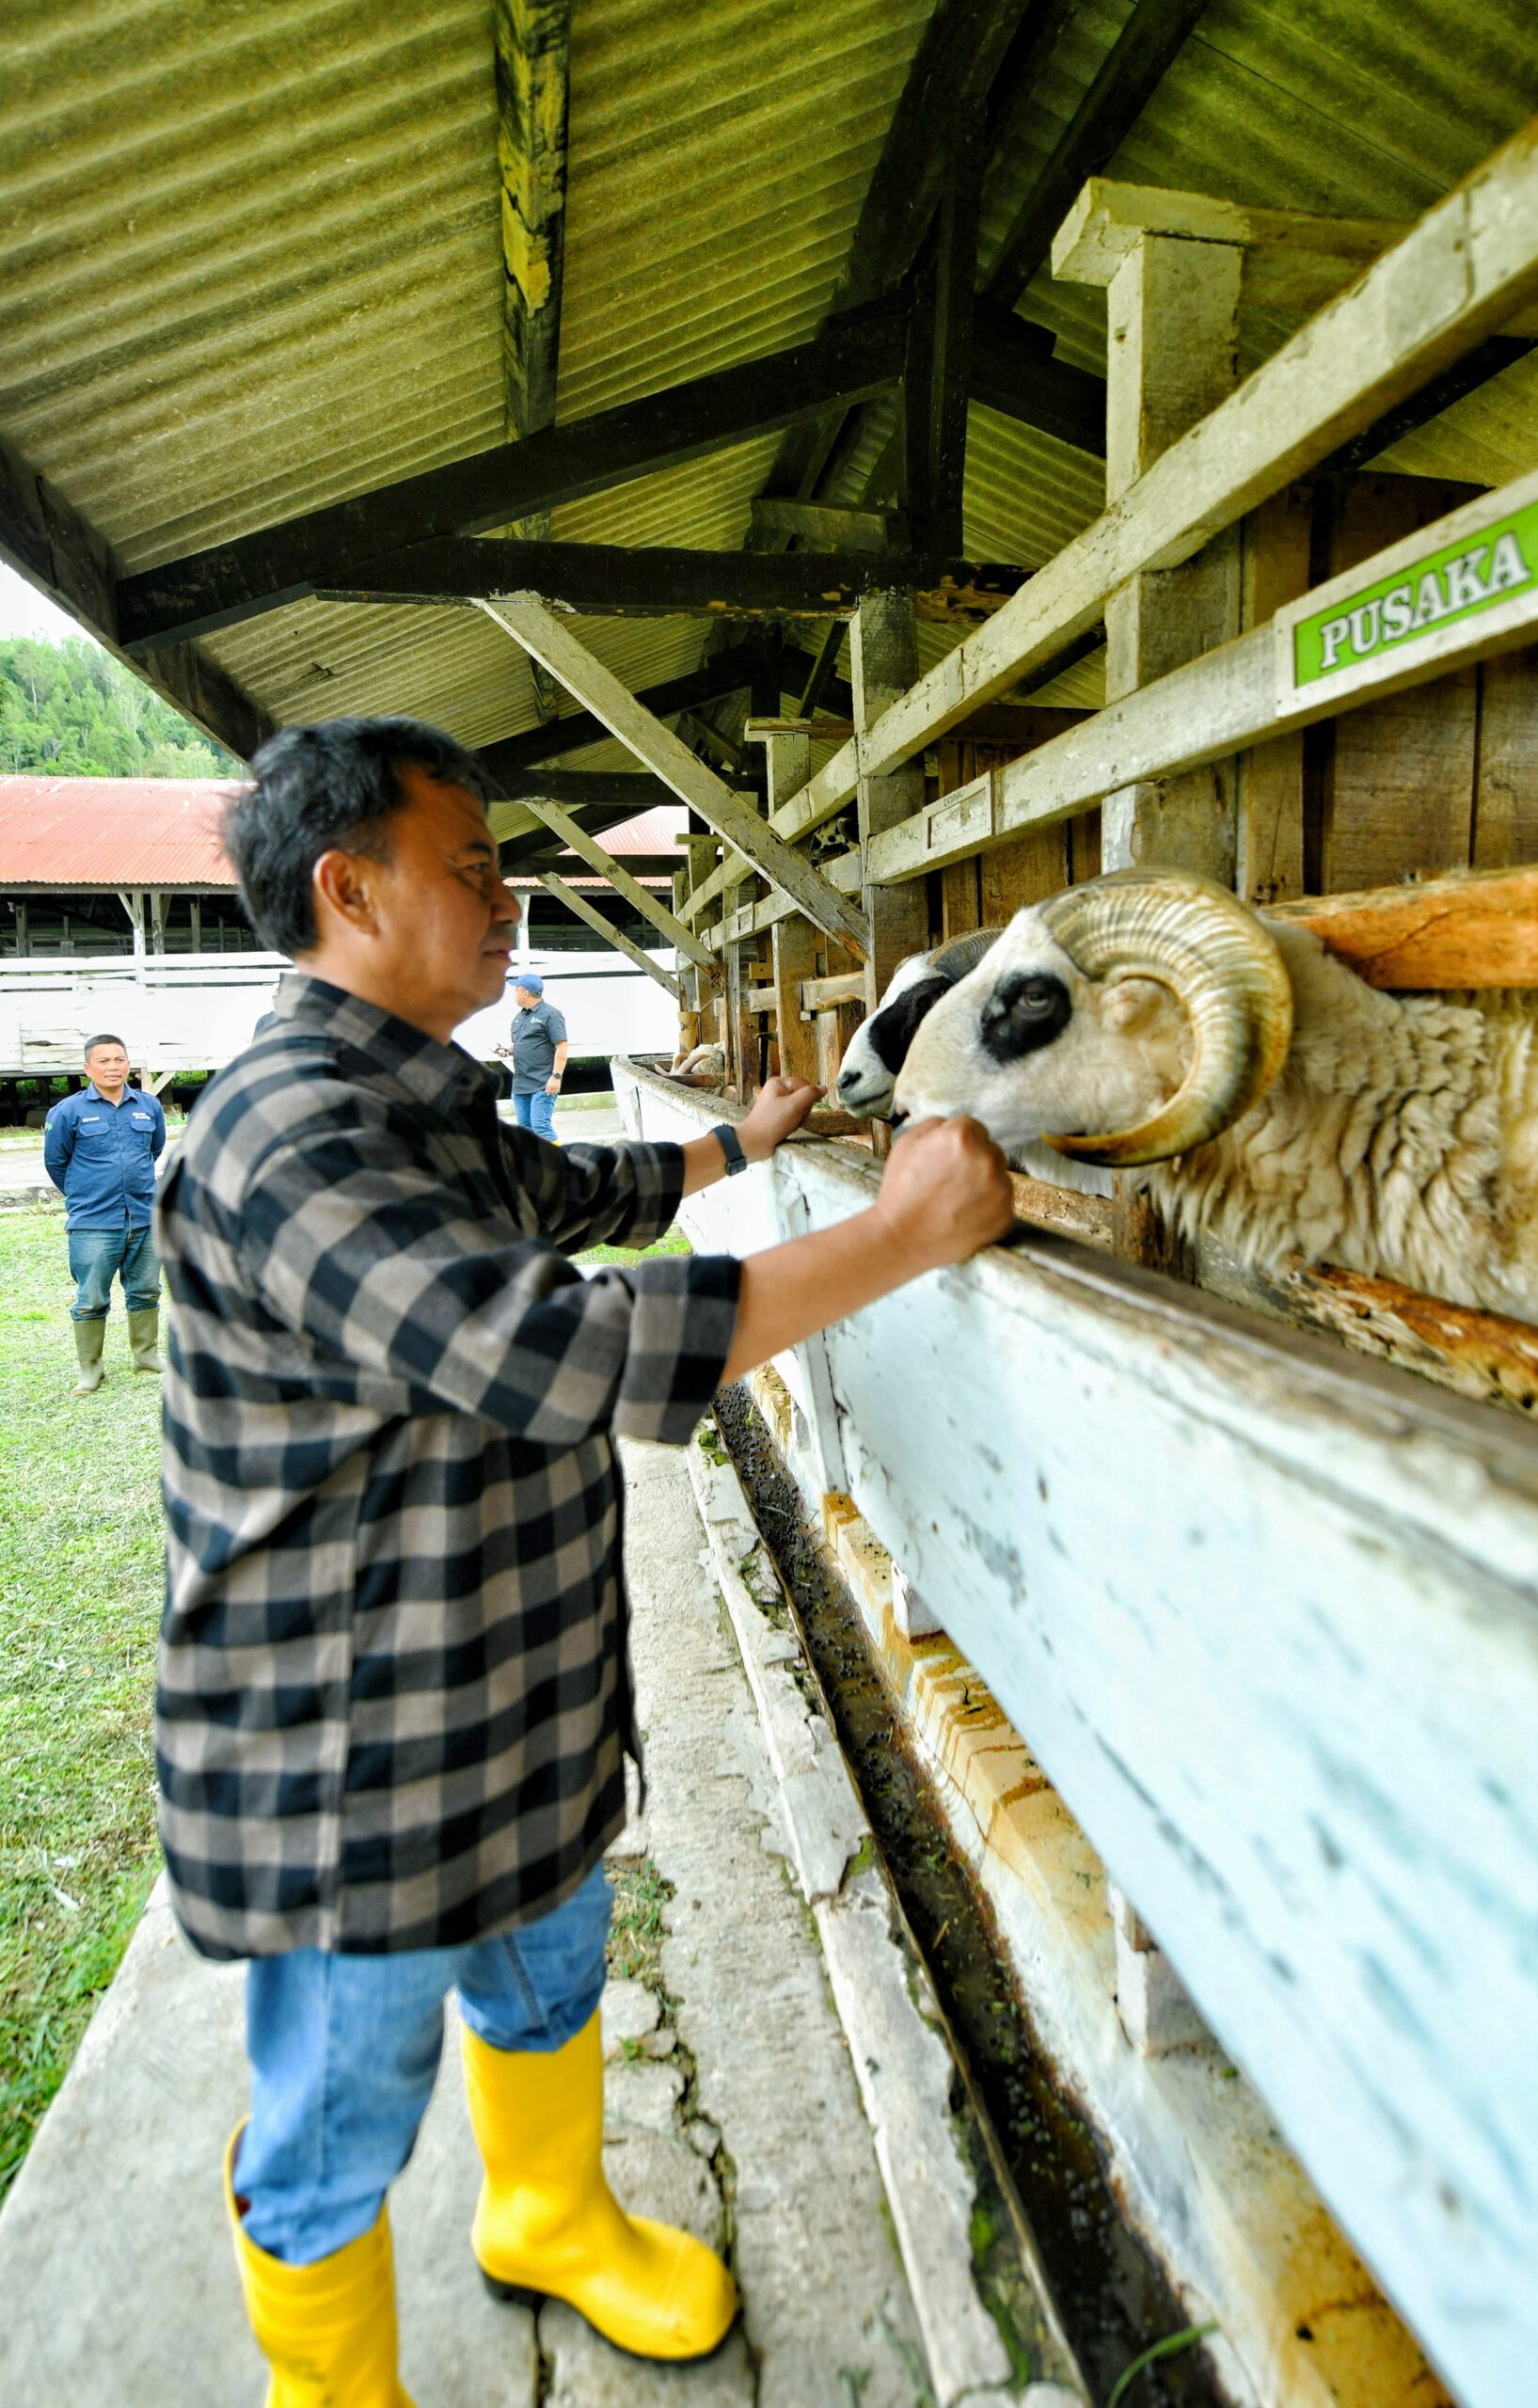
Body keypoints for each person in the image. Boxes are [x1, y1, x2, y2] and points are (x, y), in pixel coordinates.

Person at [154, 716, 1012, 2401]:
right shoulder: (285, 1134)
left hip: (516, 1701)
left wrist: (747, 1145)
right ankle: (333, 2386)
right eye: (470, 870)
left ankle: (545, 2208)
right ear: (348, 886)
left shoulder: (423, 1102)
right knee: (338, 2117)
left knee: (550, 1982)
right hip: (356, 1763)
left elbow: (581, 1188)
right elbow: (552, 1348)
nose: (507, 904)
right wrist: (902, 1233)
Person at [43, 1033, 166, 1395]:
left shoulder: (148, 1106)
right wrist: (88, 1193)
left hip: (144, 1216)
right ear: (87, 1068)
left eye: (119, 1059)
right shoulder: (67, 1112)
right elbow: (56, 1162)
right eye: (104, 1061)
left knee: (146, 1290)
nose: (113, 1067)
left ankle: (146, 1355)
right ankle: (91, 1370)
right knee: (91, 1298)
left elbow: (153, 1150)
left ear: (128, 1064)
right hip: (94, 1222)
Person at [502, 973, 567, 1138]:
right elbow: (521, 1041)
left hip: (542, 1083)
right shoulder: (520, 1016)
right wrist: (508, 1050)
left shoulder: (551, 1014)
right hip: (521, 1083)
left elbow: (562, 1047)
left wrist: (556, 1076)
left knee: (541, 1128)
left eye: (516, 990)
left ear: (526, 993)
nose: (514, 994)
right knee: (525, 1130)